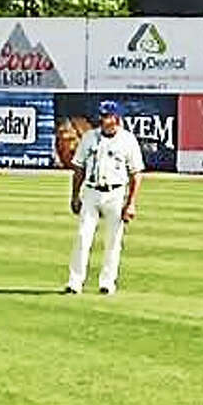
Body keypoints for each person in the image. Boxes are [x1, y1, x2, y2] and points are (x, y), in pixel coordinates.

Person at [64, 100, 144, 296]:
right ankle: (75, 282)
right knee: (83, 237)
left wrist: (131, 203)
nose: (102, 119)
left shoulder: (127, 140)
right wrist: (75, 195)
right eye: (101, 115)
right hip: (91, 191)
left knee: (113, 241)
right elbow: (79, 168)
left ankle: (107, 282)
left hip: (115, 193)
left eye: (106, 116)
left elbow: (136, 173)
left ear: (116, 118)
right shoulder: (89, 137)